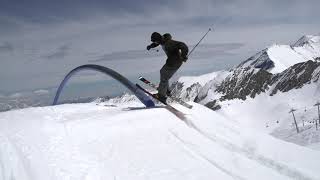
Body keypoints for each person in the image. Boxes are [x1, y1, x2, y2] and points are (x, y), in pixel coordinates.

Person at [146, 32, 189, 102]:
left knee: (164, 77)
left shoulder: (169, 43)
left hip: (175, 62)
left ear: (158, 39)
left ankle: (161, 96)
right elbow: (156, 44)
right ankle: (166, 90)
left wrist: (184, 55)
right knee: (163, 72)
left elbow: (183, 45)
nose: (155, 42)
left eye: (155, 40)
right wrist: (151, 46)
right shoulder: (162, 41)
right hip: (171, 62)